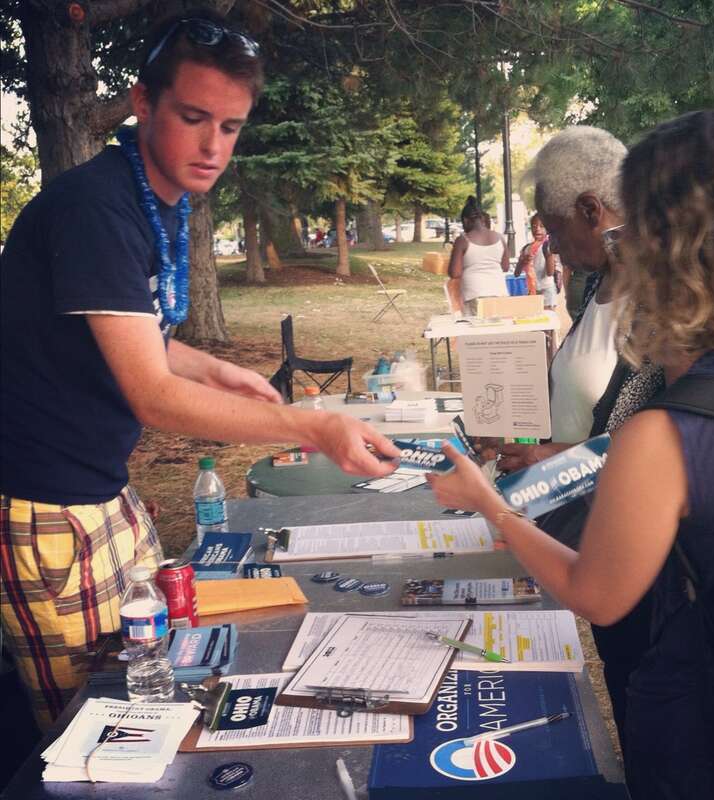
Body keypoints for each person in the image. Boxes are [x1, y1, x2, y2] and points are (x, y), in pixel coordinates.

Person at [0, 8, 399, 728]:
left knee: (151, 676)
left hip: (103, 491)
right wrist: (306, 424)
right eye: (193, 117)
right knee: (88, 724)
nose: (213, 145)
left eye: (230, 127)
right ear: (143, 102)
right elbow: (151, 393)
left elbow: (126, 334)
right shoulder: (98, 208)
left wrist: (214, 371)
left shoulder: (154, 200)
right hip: (45, 505)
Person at [429, 110, 714, 799]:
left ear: (667, 246)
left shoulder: (666, 432)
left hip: (711, 741)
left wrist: (490, 506)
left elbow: (596, 594)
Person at [488, 127, 665, 751]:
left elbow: (669, 447)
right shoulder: (596, 286)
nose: (554, 247)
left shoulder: (663, 301)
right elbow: (585, 400)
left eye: (556, 230)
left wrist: (555, 458)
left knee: (650, 714)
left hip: (645, 568)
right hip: (582, 529)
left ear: (592, 209)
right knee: (624, 694)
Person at [447, 196, 509, 315]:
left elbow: (455, 273)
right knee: (498, 330)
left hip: (474, 293)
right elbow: (505, 267)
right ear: (482, 219)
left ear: (465, 220)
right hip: (499, 291)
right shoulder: (500, 238)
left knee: (478, 331)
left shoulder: (463, 240)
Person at [514, 212, 558, 306]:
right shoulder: (526, 248)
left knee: (548, 317)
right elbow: (516, 274)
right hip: (531, 290)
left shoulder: (548, 246)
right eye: (534, 226)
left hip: (546, 290)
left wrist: (548, 256)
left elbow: (550, 273)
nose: (537, 229)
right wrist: (522, 261)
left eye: (542, 226)